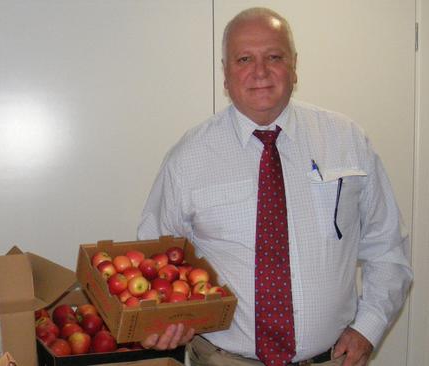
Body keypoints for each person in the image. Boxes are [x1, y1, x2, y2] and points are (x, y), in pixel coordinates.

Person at [137, 7, 412, 366]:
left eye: (274, 57)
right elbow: (154, 260)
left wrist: (368, 328)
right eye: (244, 59)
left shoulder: (347, 141)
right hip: (223, 360)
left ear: (294, 66)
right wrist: (170, 320)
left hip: (331, 359)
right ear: (225, 73)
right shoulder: (188, 158)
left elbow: (387, 248)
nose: (260, 72)